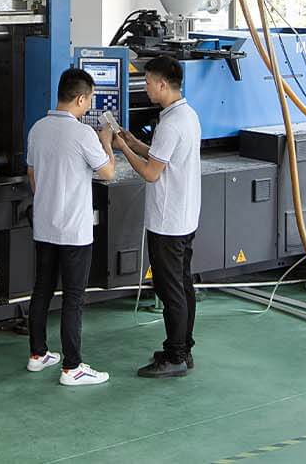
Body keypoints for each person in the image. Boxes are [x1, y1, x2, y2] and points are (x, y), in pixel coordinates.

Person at [24, 67, 118, 387]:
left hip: (44, 226)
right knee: (73, 298)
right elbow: (108, 173)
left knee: (42, 289)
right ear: (80, 99)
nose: (89, 105)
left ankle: (38, 354)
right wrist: (106, 142)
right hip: (74, 232)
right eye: (89, 100)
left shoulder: (37, 129)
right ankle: (72, 367)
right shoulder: (83, 134)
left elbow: (33, 176)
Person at [109, 56, 201, 378]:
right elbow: (162, 156)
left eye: (148, 82)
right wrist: (134, 142)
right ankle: (183, 348)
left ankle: (175, 357)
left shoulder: (170, 124)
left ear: (162, 84)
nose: (145, 87)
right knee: (183, 285)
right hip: (184, 218)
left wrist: (122, 149)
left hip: (167, 223)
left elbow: (151, 173)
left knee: (170, 289)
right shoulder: (186, 116)